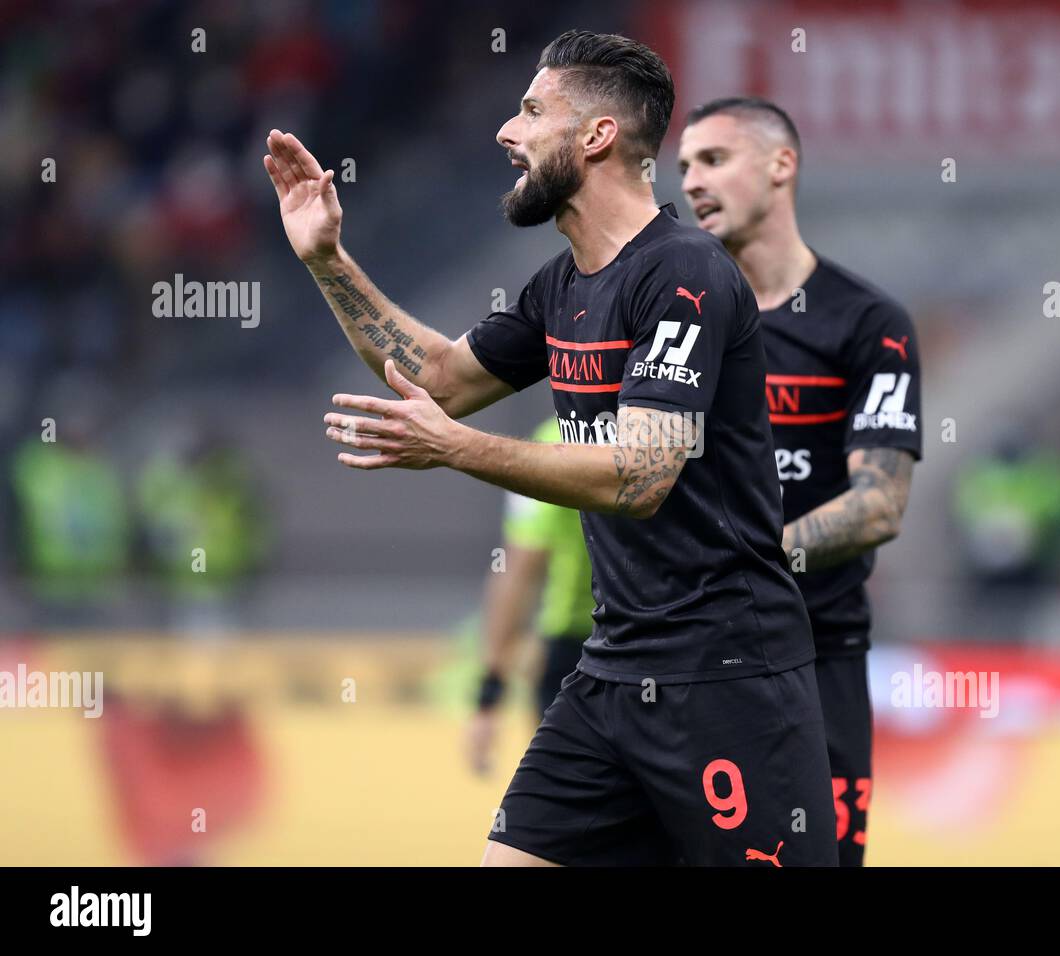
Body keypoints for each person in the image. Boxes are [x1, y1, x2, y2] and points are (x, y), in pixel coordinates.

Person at [264, 31, 837, 866]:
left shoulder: (685, 275)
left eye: (531, 111)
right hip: (611, 672)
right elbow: (441, 378)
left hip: (727, 680)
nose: (507, 131)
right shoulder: (561, 285)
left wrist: (458, 449)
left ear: (597, 136)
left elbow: (640, 476)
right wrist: (327, 260)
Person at [679, 97, 923, 865]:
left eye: (713, 160)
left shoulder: (867, 323)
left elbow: (879, 504)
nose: (690, 182)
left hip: (820, 657)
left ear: (782, 166)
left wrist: (744, 563)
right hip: (687, 657)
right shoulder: (677, 315)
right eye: (683, 166)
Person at [465, 417, 593, 776]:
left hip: (577, 654)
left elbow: (518, 572)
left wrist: (489, 696)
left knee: (567, 806)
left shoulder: (552, 442)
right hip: (666, 643)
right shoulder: (680, 428)